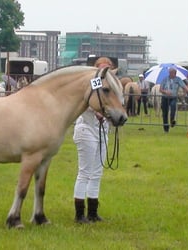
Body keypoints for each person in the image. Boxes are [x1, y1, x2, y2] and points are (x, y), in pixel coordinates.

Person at [73, 57, 113, 223]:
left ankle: (93, 212)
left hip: (102, 129)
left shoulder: (111, 85)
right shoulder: (94, 82)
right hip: (87, 127)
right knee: (85, 172)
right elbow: (88, 102)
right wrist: (97, 111)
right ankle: (80, 214)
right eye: (102, 68)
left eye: (108, 68)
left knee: (97, 172)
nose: (105, 71)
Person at [159, 67, 188, 133]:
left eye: (172, 73)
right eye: (170, 73)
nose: (170, 74)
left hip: (173, 97)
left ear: (175, 73)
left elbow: (184, 87)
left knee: (173, 107)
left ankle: (172, 120)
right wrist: (165, 92)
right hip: (165, 98)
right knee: (165, 113)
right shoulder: (165, 79)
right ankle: (166, 129)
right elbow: (160, 89)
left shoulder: (178, 79)